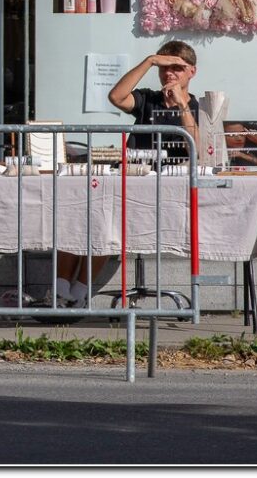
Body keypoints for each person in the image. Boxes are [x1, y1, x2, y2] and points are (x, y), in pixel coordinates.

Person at [45, 41, 200, 309]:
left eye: (176, 67)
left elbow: (196, 146)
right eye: (164, 67)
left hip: (165, 194)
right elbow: (116, 97)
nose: (169, 73)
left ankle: (79, 293)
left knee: (107, 227)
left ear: (191, 72)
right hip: (129, 180)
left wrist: (181, 105)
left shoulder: (197, 106)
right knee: (79, 216)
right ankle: (60, 291)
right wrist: (149, 61)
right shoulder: (148, 99)